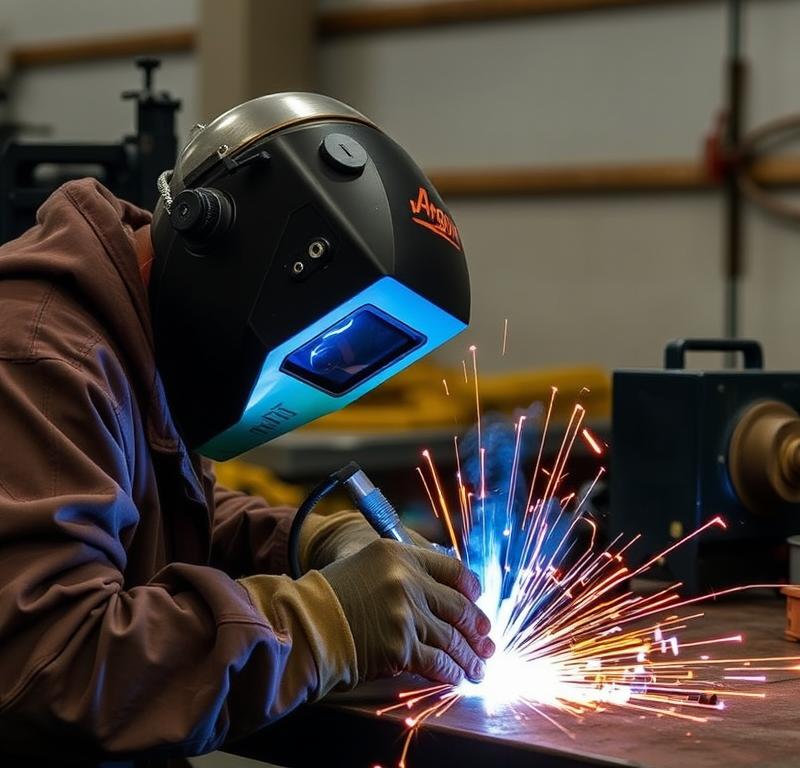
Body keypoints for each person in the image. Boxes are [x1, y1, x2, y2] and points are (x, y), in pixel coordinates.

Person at [0, 93, 493, 764]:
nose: (320, 373)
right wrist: (328, 622)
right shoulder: (40, 359)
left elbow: (143, 520)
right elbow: (55, 668)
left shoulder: (132, 346)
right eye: (326, 345)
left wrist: (310, 539)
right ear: (239, 248)